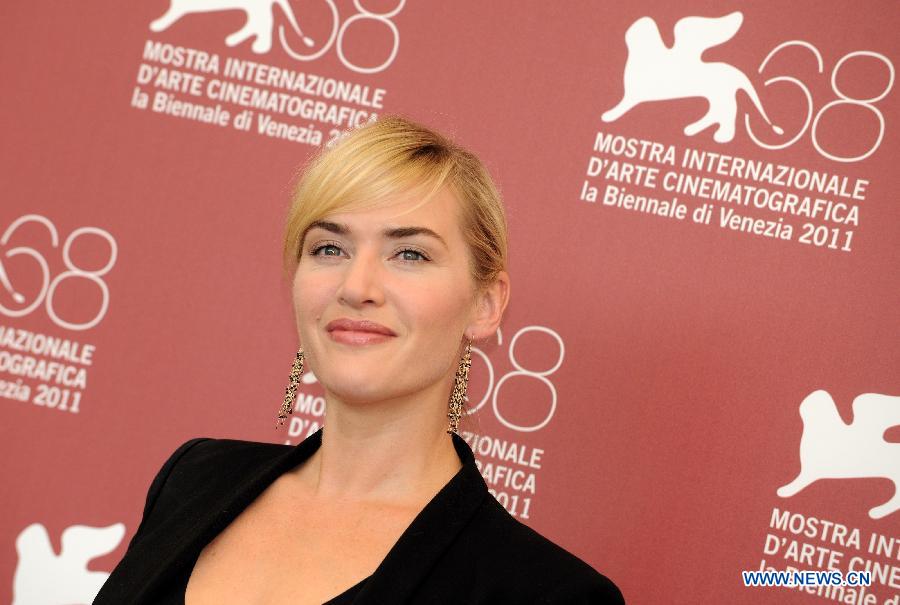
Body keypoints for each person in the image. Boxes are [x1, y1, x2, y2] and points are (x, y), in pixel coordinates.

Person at [93, 115, 625, 604]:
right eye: (329, 248)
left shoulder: (547, 596)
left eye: (409, 253)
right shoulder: (194, 478)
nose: (356, 286)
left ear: (484, 305)